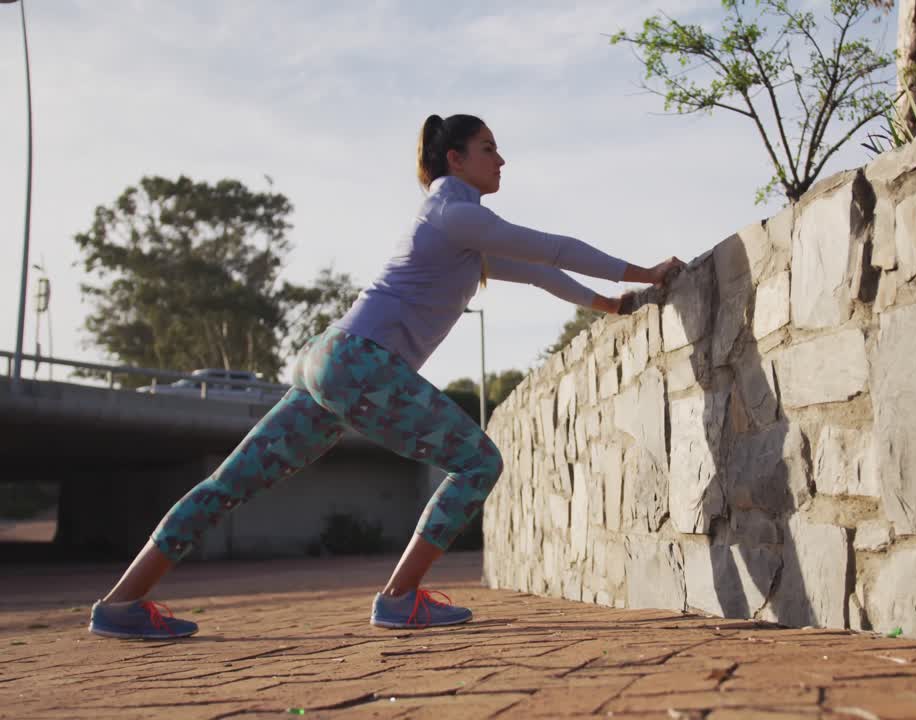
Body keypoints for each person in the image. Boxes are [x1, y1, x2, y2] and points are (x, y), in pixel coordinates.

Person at [88, 113, 685, 639]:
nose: (502, 160)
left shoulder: (456, 226)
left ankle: (121, 603)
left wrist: (609, 305)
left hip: (328, 357)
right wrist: (645, 273)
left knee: (229, 484)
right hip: (359, 362)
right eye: (489, 148)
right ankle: (400, 598)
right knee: (478, 462)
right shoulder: (455, 214)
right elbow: (553, 248)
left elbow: (537, 270)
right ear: (455, 158)